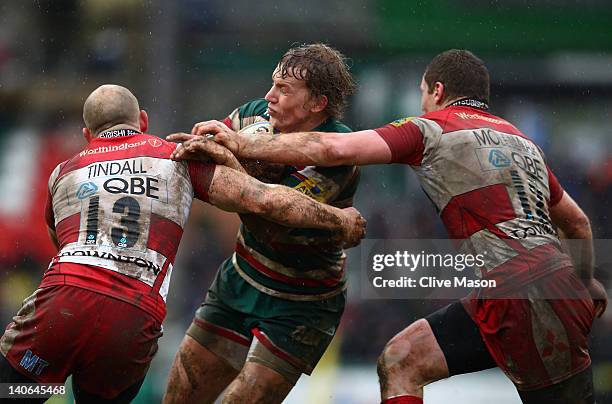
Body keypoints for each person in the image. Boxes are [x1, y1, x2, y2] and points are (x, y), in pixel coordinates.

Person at [176, 50, 608, 404]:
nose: (421, 103)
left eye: (423, 93)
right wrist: (584, 281)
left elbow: (328, 150)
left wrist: (240, 143)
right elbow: (577, 223)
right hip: (544, 287)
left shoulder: (431, 129)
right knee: (402, 359)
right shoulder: (522, 142)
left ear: (437, 91)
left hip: (519, 293)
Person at [0, 84, 365, 403]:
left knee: (14, 390)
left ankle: (41, 391)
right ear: (142, 121)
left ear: (86, 134)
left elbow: (57, 239)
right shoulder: (178, 157)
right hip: (132, 315)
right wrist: (340, 219)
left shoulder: (62, 172)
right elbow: (264, 200)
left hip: (65, 299)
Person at [163, 43, 360, 404]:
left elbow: (273, 220)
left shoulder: (340, 151)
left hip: (303, 300)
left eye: (284, 90)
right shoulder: (255, 116)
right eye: (272, 84)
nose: (268, 96)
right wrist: (218, 153)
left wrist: (230, 159)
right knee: (180, 396)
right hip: (242, 276)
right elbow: (208, 164)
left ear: (317, 103)